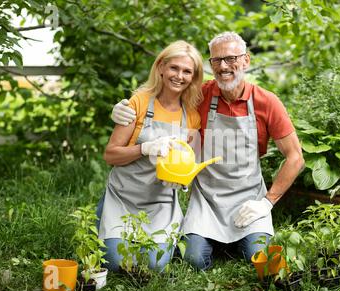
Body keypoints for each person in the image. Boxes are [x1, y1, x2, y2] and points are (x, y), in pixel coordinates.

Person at [111, 32, 305, 271]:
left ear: (246, 60)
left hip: (249, 199)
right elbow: (164, 96)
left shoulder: (267, 102)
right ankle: (216, 240)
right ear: (210, 64)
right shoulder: (199, 95)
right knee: (193, 259)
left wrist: (267, 203)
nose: (223, 66)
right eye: (216, 60)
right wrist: (124, 109)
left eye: (231, 58)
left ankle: (240, 241)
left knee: (260, 258)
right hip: (207, 201)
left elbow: (295, 157)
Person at [97, 40, 203, 272]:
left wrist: (182, 180)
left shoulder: (192, 117)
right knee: (119, 265)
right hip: (123, 199)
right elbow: (110, 155)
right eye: (174, 68)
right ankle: (102, 217)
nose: (179, 76)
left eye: (187, 71)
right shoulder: (139, 102)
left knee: (154, 267)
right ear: (161, 68)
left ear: (193, 77)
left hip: (161, 203)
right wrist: (144, 149)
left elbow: (188, 165)